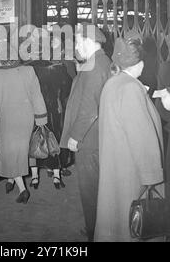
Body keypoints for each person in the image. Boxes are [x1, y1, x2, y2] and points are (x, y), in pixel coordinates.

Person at [94, 34, 164, 242]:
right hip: (134, 176)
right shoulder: (131, 88)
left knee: (115, 223)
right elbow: (142, 139)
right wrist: (152, 179)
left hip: (116, 168)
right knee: (135, 229)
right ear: (140, 63)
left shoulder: (113, 83)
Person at [60, 24, 110, 242]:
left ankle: (94, 232)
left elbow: (90, 107)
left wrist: (75, 136)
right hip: (95, 136)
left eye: (79, 41)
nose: (76, 46)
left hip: (89, 139)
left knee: (90, 188)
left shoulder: (95, 66)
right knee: (97, 186)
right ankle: (98, 227)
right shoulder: (99, 61)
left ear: (89, 41)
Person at [0, 45, 47, 204]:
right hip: (28, 117)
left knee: (10, 153)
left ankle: (22, 188)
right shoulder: (28, 71)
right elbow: (37, 97)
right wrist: (41, 120)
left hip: (7, 119)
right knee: (24, 150)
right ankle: (20, 179)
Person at [25, 29, 73, 189]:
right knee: (53, 139)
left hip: (31, 110)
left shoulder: (25, 69)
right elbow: (67, 89)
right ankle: (57, 175)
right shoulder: (58, 68)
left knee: (32, 140)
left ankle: (34, 176)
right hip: (53, 110)